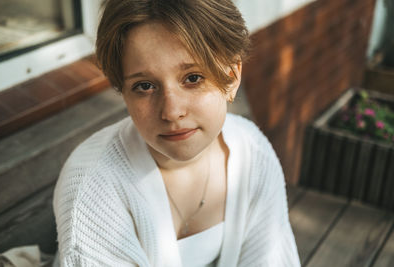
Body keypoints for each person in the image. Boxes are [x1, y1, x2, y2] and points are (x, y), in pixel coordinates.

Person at [53, 0, 301, 266]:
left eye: (193, 78)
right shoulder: (93, 188)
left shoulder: (253, 153)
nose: (171, 111)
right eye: (145, 85)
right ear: (123, 91)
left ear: (231, 77)